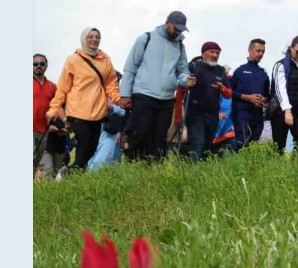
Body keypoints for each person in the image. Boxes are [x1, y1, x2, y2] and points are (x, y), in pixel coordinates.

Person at [120, 11, 195, 161]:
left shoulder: (180, 45)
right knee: (141, 132)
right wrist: (125, 94)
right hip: (143, 94)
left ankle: (154, 168)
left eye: (181, 29)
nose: (178, 32)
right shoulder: (146, 38)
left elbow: (182, 71)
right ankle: (132, 164)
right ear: (167, 23)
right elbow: (130, 67)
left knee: (160, 136)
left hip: (167, 97)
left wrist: (186, 79)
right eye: (176, 28)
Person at [47, 28, 125, 170]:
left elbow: (111, 84)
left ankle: (72, 173)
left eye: (97, 37)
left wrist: (119, 100)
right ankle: (71, 174)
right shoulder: (73, 60)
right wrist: (53, 109)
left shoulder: (105, 59)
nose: (94, 39)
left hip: (97, 112)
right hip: (77, 111)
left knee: (91, 148)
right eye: (91, 36)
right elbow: (63, 88)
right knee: (84, 143)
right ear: (84, 38)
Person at [182, 41, 232, 161]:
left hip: (213, 114)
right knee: (197, 144)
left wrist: (222, 88)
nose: (215, 55)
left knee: (207, 146)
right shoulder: (194, 67)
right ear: (203, 53)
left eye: (217, 53)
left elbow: (229, 94)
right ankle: (192, 170)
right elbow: (180, 88)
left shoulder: (220, 70)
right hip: (195, 113)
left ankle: (202, 174)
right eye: (212, 52)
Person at [269, 36, 298, 155]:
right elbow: (280, 89)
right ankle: (277, 169)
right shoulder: (280, 65)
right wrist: (287, 111)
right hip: (280, 111)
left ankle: (296, 166)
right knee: (279, 145)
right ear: (291, 49)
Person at [229, 38, 270, 150]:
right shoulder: (238, 69)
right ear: (249, 50)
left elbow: (267, 95)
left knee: (254, 145)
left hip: (257, 115)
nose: (260, 54)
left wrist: (264, 100)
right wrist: (247, 98)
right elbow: (228, 91)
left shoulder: (264, 73)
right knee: (241, 144)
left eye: (263, 52)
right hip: (241, 113)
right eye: (258, 51)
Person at [32, 53, 66, 179]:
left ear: (46, 66)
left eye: (41, 64)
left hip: (44, 131)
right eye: (35, 64)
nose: (38, 66)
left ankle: (40, 195)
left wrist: (65, 121)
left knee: (39, 165)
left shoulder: (52, 87)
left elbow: (58, 107)